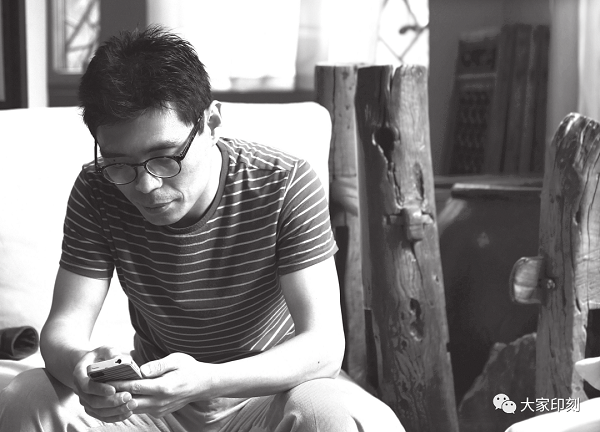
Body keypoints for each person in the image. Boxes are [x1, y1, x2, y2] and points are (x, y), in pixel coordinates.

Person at [0, 26, 403, 431]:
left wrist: (207, 380)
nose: (146, 185)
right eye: (119, 162)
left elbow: (324, 346)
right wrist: (80, 367)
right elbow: (65, 326)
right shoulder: (98, 187)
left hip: (267, 397)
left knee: (334, 414)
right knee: (30, 397)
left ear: (211, 122)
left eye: (165, 156)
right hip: (150, 406)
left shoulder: (284, 183)